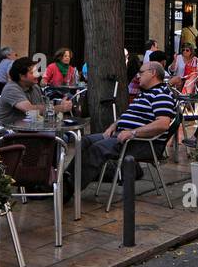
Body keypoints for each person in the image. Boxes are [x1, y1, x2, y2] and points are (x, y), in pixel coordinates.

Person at [65, 60, 177, 196]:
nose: (137, 76)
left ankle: (68, 188)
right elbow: (129, 116)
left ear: (153, 73)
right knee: (83, 141)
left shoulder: (161, 94)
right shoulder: (146, 93)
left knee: (97, 149)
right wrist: (114, 125)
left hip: (143, 142)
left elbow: (162, 124)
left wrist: (133, 133)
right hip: (123, 135)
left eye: (141, 72)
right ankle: (67, 179)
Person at [0, 56, 72, 127]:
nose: (38, 75)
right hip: (7, 131)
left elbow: (41, 111)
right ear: (22, 76)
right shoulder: (11, 88)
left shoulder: (34, 87)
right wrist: (59, 108)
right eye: (33, 72)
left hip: (30, 127)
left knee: (65, 134)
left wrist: (60, 104)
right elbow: (30, 110)